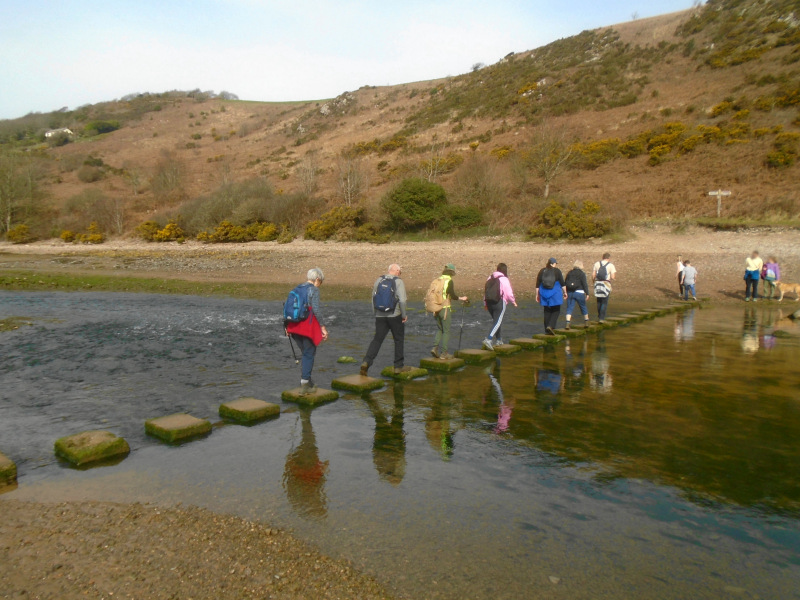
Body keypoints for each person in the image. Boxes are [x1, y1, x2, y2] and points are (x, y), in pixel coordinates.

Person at [360, 264, 411, 376]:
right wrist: (404, 315)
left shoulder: (379, 279)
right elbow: (402, 301)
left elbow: (373, 297)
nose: (400, 274)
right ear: (397, 271)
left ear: (389, 271)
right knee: (398, 339)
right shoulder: (399, 281)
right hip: (395, 315)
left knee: (377, 340)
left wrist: (375, 313)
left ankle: (366, 362)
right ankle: (398, 366)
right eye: (400, 272)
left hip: (380, 315)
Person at [285, 268, 328, 394]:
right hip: (306, 326)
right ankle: (305, 384)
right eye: (321, 282)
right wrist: (323, 327)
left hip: (293, 326)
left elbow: (287, 308)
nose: (320, 284)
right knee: (309, 353)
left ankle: (307, 380)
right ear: (317, 279)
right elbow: (316, 309)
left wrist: (286, 327)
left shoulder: (296, 288)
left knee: (306, 353)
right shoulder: (313, 289)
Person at [430, 264, 468, 360]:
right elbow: (452, 295)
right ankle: (444, 353)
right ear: (452, 272)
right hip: (445, 308)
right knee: (446, 331)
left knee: (440, 329)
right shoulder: (449, 281)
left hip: (435, 308)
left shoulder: (437, 280)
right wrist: (462, 298)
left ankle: (435, 348)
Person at [482, 263, 517, 351]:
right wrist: (513, 301)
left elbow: (485, 292)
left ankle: (498, 340)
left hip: (489, 302)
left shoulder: (490, 278)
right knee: (497, 321)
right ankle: (488, 339)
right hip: (499, 302)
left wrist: (485, 303)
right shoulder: (504, 279)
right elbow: (509, 293)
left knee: (496, 321)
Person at [536, 257, 567, 335]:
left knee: (547, 311)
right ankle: (551, 325)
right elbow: (562, 283)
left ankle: (547, 330)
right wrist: (565, 292)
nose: (556, 265)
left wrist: (537, 294)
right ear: (552, 264)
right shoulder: (557, 271)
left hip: (544, 293)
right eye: (555, 263)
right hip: (555, 293)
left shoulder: (542, 271)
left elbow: (538, 284)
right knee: (556, 310)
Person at [564, 260, 590, 330]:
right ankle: (586, 322)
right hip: (579, 292)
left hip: (570, 292)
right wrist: (587, 293)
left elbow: (565, 283)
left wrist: (565, 292)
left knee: (569, 308)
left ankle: (567, 323)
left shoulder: (569, 273)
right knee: (583, 307)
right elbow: (584, 284)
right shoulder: (582, 274)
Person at [592, 252, 617, 324]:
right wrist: (614, 279)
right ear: (609, 258)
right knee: (604, 301)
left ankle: (599, 316)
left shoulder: (597, 264)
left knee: (599, 301)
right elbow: (612, 277)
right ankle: (601, 318)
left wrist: (593, 282)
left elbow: (593, 275)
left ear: (602, 257)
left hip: (598, 283)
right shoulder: (611, 265)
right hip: (606, 284)